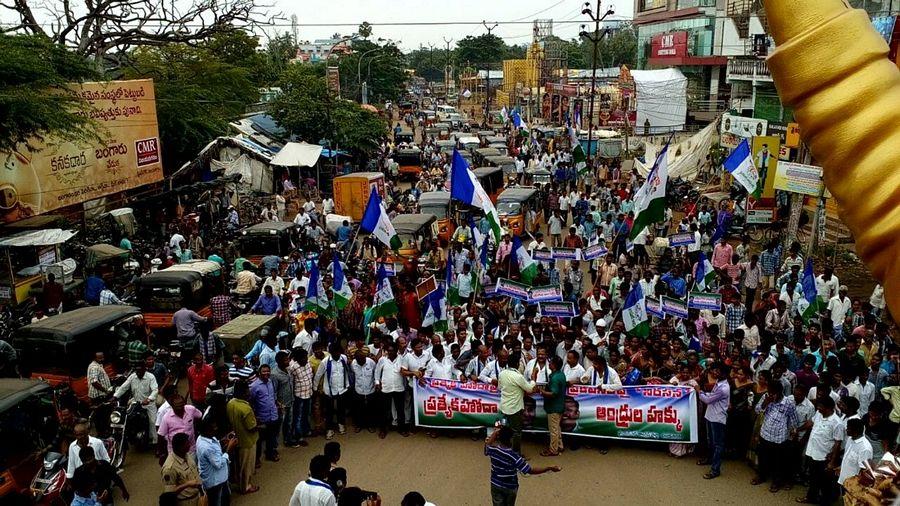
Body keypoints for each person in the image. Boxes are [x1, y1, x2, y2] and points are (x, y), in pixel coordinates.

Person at [484, 426, 561, 506]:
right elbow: (530, 470)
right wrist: (548, 468)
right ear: (511, 439)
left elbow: (487, 445)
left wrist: (495, 433)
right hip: (510, 487)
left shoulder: (493, 450)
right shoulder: (514, 457)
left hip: (495, 484)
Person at [751, 381, 798, 492]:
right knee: (763, 457)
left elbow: (794, 419)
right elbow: (757, 410)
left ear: (779, 392)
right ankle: (761, 476)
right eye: (769, 393)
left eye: (773, 393)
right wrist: (765, 403)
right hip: (765, 433)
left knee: (778, 462)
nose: (770, 395)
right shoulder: (766, 397)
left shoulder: (788, 403)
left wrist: (793, 432)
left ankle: (777, 482)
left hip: (779, 438)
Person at [695, 363, 730, 479]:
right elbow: (711, 396)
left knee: (718, 445)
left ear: (724, 373)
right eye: (714, 370)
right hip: (710, 415)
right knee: (711, 441)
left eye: (717, 371)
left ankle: (715, 469)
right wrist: (704, 393)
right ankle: (710, 460)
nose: (714, 373)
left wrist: (699, 391)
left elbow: (708, 400)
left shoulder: (723, 388)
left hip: (717, 418)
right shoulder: (719, 384)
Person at [497, 350, 535, 454]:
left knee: (505, 430)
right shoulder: (518, 377)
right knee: (517, 432)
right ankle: (516, 454)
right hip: (514, 409)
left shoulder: (502, 373)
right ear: (518, 364)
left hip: (504, 407)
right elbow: (530, 389)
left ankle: (504, 450)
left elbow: (499, 388)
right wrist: (533, 380)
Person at [226, 380, 260, 494]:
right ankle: (246, 486)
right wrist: (260, 425)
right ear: (245, 391)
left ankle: (239, 482)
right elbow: (251, 427)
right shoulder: (246, 408)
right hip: (247, 441)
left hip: (236, 439)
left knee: (239, 464)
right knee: (246, 466)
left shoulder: (230, 403)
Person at [113, 361, 159, 444]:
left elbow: (155, 390)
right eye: (136, 371)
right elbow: (124, 387)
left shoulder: (151, 377)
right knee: (127, 417)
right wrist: (115, 396)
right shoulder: (132, 377)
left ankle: (154, 441)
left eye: (140, 370)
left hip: (148, 404)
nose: (138, 373)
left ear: (145, 369)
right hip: (135, 403)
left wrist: (148, 399)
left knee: (153, 422)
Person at [196, 418, 235, 506]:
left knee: (225, 499)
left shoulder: (204, 437)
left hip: (220, 479)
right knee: (218, 502)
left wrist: (222, 441)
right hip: (215, 482)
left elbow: (215, 450)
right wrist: (228, 449)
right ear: (206, 431)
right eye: (213, 428)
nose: (216, 428)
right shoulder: (206, 447)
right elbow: (218, 464)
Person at [156, 394, 202, 463]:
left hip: (191, 450)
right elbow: (160, 436)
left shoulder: (191, 410)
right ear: (172, 406)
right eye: (177, 406)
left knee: (192, 470)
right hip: (175, 453)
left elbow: (200, 416)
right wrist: (162, 454)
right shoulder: (166, 418)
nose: (180, 408)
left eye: (181, 405)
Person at [161, 432, 203, 506]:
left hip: (197, 497)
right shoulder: (170, 468)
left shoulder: (186, 455)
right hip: (185, 502)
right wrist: (187, 484)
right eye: (187, 444)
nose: (189, 445)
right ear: (180, 447)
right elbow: (168, 494)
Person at [249, 364, 280, 463]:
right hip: (261, 417)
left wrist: (277, 405)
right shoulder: (254, 386)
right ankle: (256, 459)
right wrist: (256, 416)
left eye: (268, 371)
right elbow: (251, 402)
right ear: (259, 373)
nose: (266, 373)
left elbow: (272, 396)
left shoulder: (270, 382)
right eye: (264, 371)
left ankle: (270, 454)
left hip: (273, 415)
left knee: (271, 437)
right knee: (259, 440)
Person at [540, 355, 566, 457]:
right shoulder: (561, 374)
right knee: (557, 428)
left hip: (554, 407)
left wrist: (542, 391)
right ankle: (560, 445)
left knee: (553, 430)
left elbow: (553, 393)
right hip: (559, 406)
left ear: (554, 365)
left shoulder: (555, 378)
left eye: (550, 362)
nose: (549, 364)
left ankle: (553, 450)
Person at [838, 417, 872, 490]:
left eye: (848, 428)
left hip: (853, 485)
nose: (846, 430)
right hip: (844, 480)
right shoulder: (850, 439)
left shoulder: (864, 448)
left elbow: (864, 470)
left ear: (856, 431)